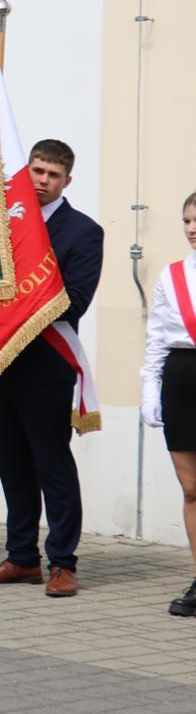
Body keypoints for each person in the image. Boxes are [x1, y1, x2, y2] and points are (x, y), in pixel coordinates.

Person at [0, 139, 104, 598]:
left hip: (48, 363)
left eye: (52, 175)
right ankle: (22, 557)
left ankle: (63, 563)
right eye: (37, 171)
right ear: (26, 171)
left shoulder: (84, 232)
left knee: (52, 465)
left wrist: (17, 303)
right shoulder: (3, 223)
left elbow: (76, 300)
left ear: (67, 180)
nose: (43, 181)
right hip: (0, 360)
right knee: (11, 465)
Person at [143, 192, 196, 616]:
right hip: (182, 379)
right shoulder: (172, 274)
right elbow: (157, 337)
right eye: (186, 221)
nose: (191, 229)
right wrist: (150, 388)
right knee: (192, 488)